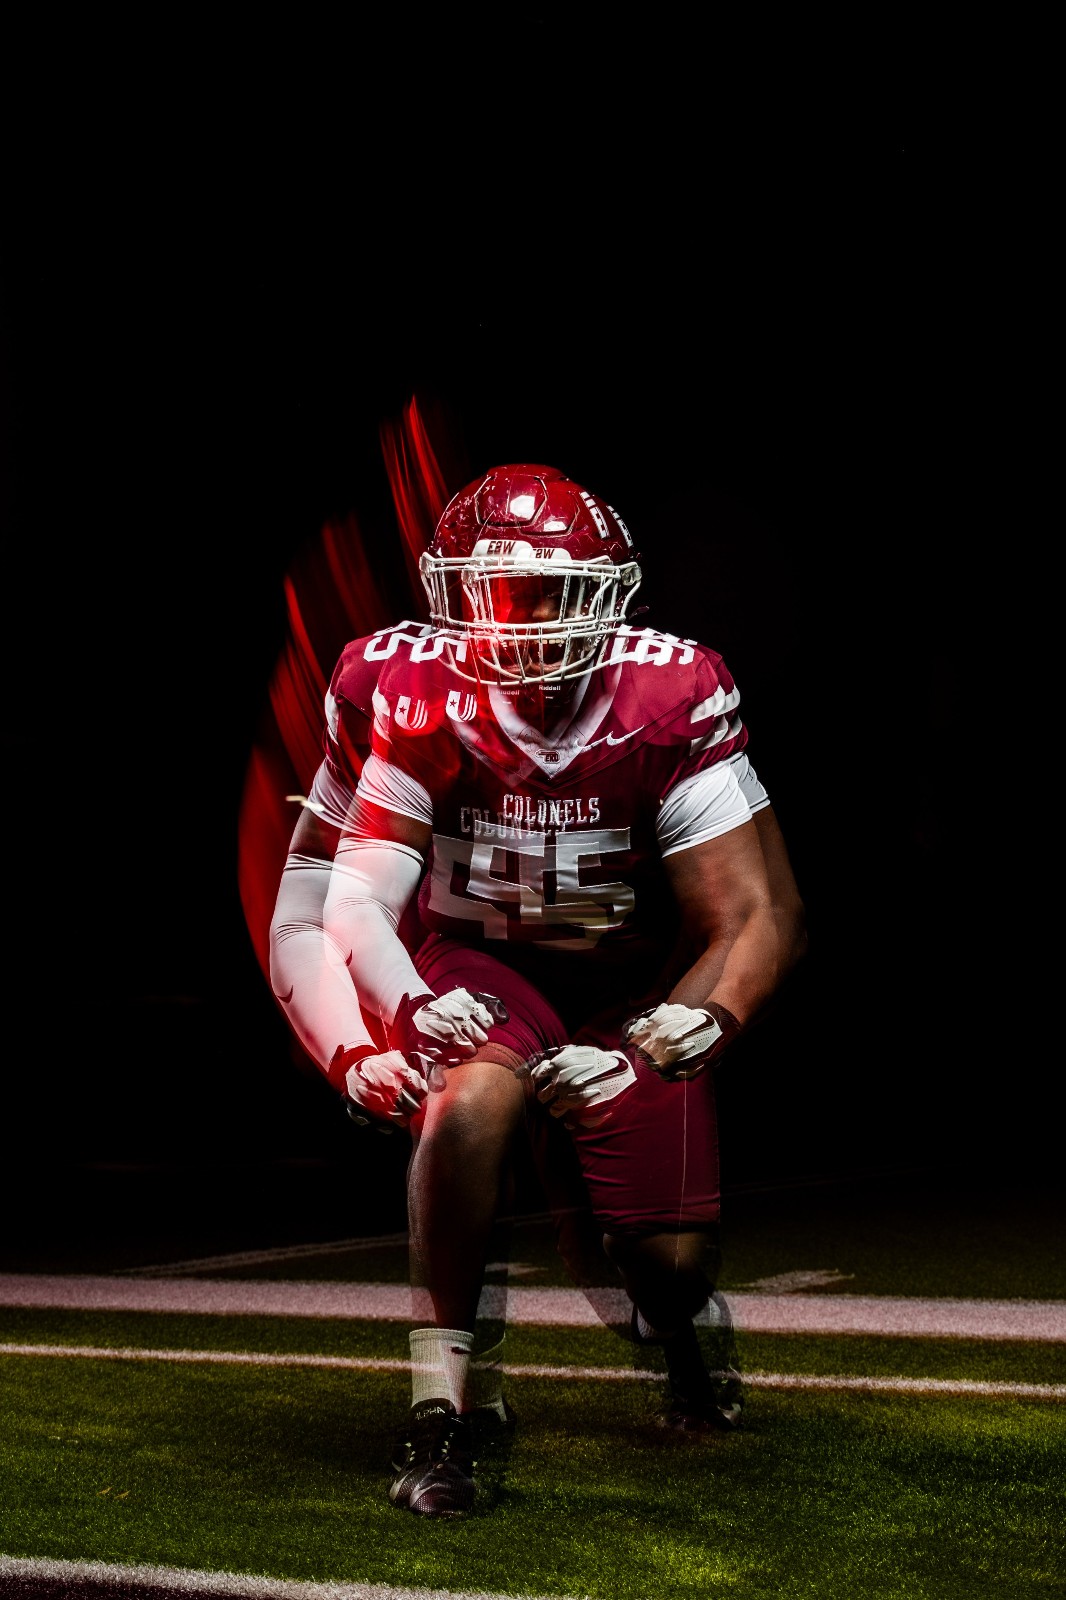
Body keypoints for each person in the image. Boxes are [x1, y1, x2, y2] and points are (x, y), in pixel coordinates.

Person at [268, 462, 807, 1518]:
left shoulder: (668, 692)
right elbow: (331, 899)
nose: (525, 626)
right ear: (455, 594)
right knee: (467, 1107)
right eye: (501, 594)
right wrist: (370, 1036)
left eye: (552, 593)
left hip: (631, 979)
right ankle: (443, 1405)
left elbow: (755, 911)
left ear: (610, 594)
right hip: (481, 967)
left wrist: (674, 1031)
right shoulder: (405, 687)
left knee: (668, 1268)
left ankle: (668, 1317)